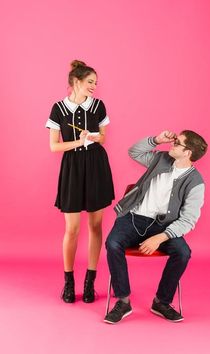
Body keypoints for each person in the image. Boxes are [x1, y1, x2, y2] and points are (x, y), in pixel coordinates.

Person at [104, 130, 208, 323]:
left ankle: (161, 302)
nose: (173, 143)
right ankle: (123, 301)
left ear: (188, 153)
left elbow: (188, 219)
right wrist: (156, 140)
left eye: (178, 142)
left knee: (183, 252)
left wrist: (160, 237)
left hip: (164, 227)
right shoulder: (160, 159)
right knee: (113, 243)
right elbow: (134, 152)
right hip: (134, 218)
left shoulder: (196, 182)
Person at [46, 60, 114, 304]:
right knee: (72, 229)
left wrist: (94, 137)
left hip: (96, 166)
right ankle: (69, 282)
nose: (94, 86)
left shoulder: (98, 106)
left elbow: (103, 138)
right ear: (76, 81)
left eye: (96, 83)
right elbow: (54, 146)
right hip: (72, 168)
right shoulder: (58, 109)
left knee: (95, 227)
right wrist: (79, 142)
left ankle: (90, 282)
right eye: (90, 82)